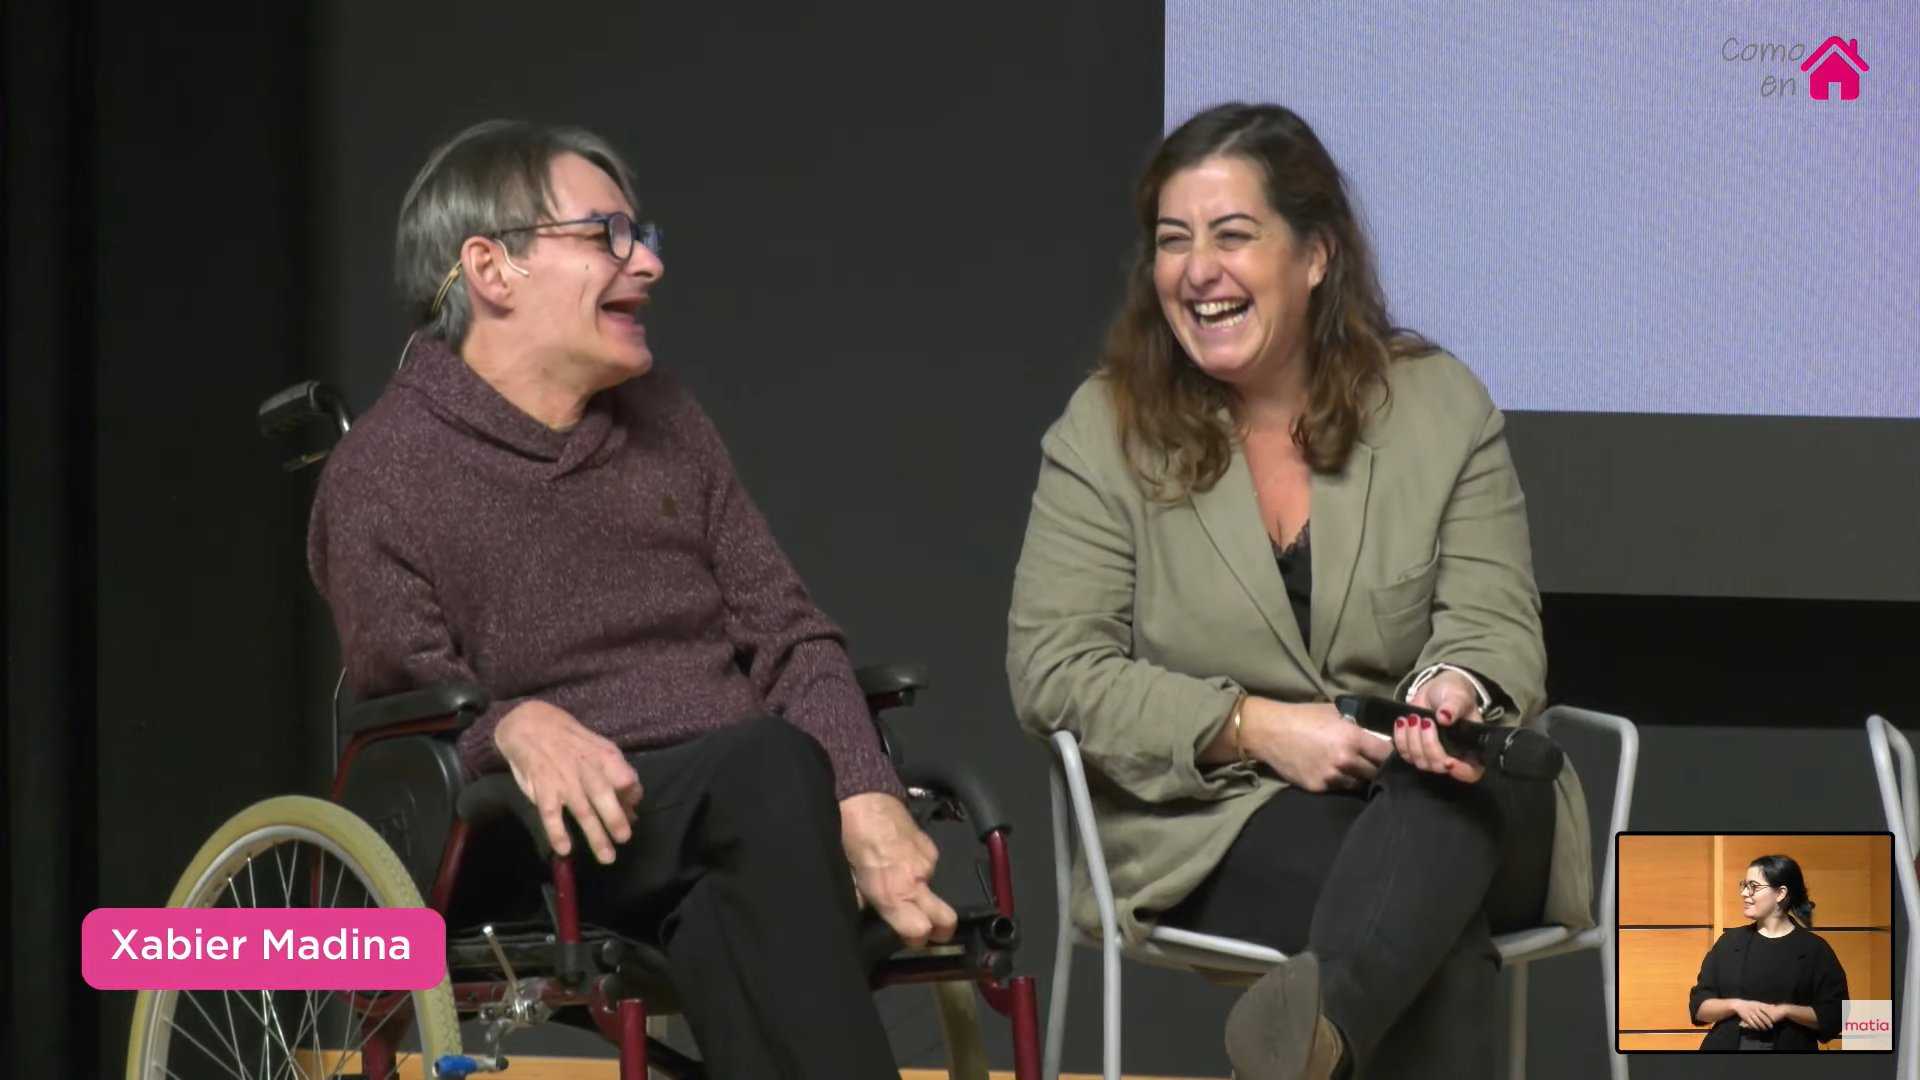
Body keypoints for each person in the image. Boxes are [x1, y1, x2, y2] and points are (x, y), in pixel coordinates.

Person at [307, 118, 956, 1078]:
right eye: (608, 235)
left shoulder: (669, 421)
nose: (647, 264)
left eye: (642, 236)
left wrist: (863, 793)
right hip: (542, 833)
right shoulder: (385, 472)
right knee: (768, 770)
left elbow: (790, 634)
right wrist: (512, 725)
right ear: (492, 269)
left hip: (742, 824)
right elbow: (406, 703)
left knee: (744, 876)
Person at [1006, 102, 1595, 1080]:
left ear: (1316, 256)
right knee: (1427, 933)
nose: (1198, 270)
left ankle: (1311, 1034)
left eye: (1232, 235)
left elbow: (1494, 622)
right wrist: (1254, 726)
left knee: (1442, 808)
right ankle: (1320, 1041)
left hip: (1460, 794)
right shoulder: (1105, 431)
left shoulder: (1440, 406)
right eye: (1174, 241)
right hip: (1229, 818)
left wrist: (1449, 693)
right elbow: (1056, 672)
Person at [1688, 854, 1848, 1051]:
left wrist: (1786, 1011)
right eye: (1744, 885)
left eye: (1753, 886)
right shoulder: (1729, 943)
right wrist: (1736, 1005)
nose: (1744, 893)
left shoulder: (1814, 949)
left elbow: (1836, 1015)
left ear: (1780, 893)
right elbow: (1699, 1007)